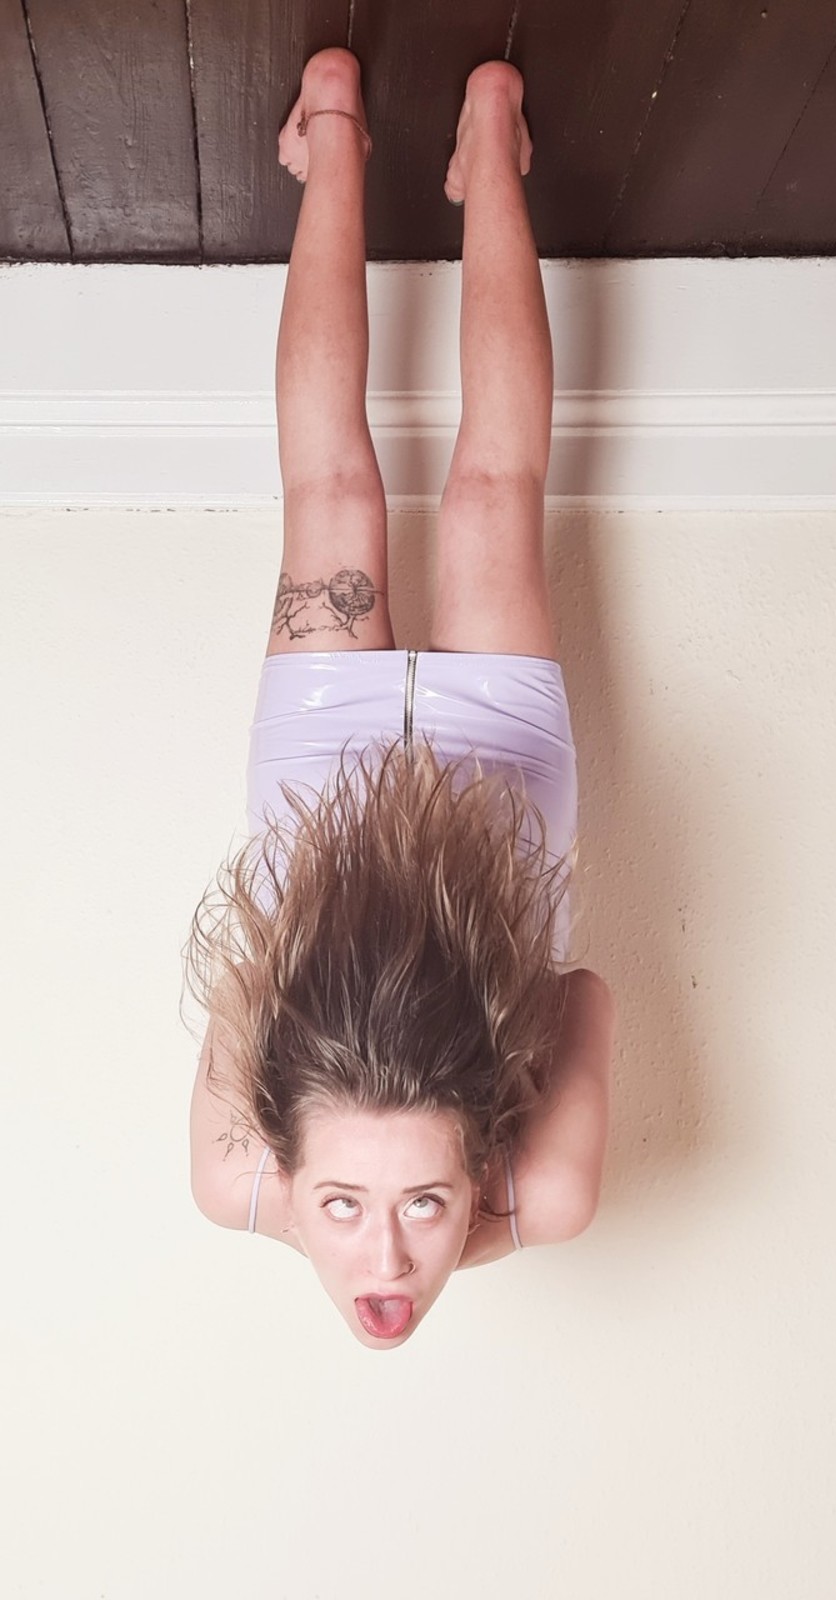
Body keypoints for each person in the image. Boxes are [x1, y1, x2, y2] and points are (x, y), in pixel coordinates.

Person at [184, 49, 616, 1349]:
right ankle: (363, 127)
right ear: (474, 1152)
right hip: (438, 771)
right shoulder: (247, 1179)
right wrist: (341, 1192)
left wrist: (474, 1206)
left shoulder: (526, 1192)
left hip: (396, 783)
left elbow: (576, 1000)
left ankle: (458, 130)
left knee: (424, 489)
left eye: (343, 1203)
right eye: (426, 1202)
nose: (388, 1254)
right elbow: (588, 994)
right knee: (434, 486)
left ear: (284, 1156)